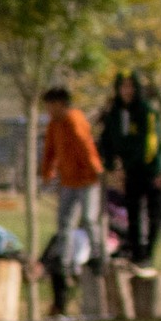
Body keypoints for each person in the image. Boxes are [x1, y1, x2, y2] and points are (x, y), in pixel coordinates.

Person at [98, 72, 161, 269]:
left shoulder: (146, 111)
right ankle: (136, 255)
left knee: (154, 215)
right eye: (123, 87)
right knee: (133, 212)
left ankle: (148, 254)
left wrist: (160, 171)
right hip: (130, 171)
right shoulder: (114, 114)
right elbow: (106, 142)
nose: (127, 91)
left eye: (131, 87)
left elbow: (150, 144)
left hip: (151, 169)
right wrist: (112, 166)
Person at [41, 86, 104, 292]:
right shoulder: (54, 124)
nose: (48, 110)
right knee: (64, 222)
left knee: (88, 218)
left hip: (87, 180)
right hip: (68, 181)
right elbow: (50, 150)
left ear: (60, 104)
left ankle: (98, 255)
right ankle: (65, 262)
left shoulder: (74, 120)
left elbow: (86, 146)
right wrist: (47, 172)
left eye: (50, 105)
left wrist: (95, 171)